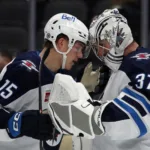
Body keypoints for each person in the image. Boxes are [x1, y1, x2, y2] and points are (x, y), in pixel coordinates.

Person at [47, 8, 150, 150]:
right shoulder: (123, 67)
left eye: (101, 45)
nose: (100, 53)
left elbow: (135, 115)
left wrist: (84, 117)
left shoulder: (143, 64)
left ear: (116, 37)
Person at [0, 13, 100, 150]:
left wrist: (81, 90)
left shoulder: (66, 74)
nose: (80, 55)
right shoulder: (23, 71)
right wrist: (20, 122)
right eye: (78, 47)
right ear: (62, 43)